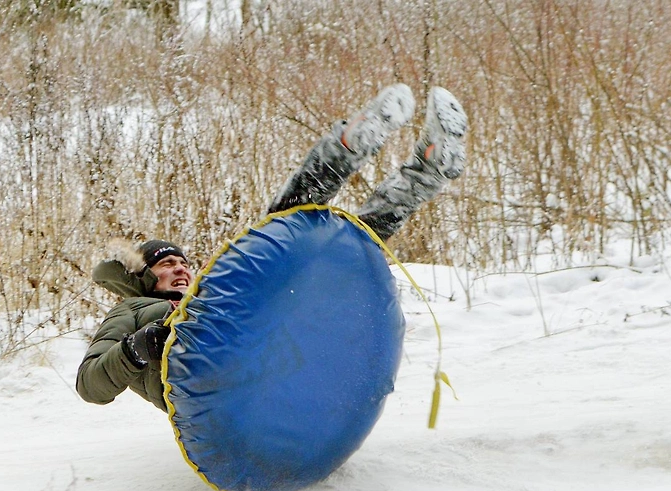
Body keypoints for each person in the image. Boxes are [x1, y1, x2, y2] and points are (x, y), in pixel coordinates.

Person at [76, 84, 468, 411]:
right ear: (143, 276)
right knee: (279, 230)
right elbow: (90, 385)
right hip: (224, 392)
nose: (180, 268)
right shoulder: (135, 310)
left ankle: (426, 169)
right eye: (165, 265)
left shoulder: (208, 290)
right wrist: (140, 345)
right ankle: (341, 152)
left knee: (331, 247)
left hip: (275, 351)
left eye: (183, 261)